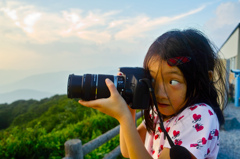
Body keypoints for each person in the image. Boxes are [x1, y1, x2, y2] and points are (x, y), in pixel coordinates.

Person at [78, 29, 227, 159]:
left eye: (173, 82)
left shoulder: (199, 115)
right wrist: (128, 110)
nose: (159, 93)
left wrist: (123, 117)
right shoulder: (159, 111)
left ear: (204, 79)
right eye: (153, 80)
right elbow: (128, 151)